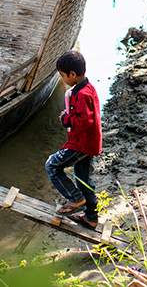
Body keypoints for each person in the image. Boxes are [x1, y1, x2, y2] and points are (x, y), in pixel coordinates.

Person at [44, 51, 102, 230]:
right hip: (89, 142)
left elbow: (85, 122)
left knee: (52, 165)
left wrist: (66, 119)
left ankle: (76, 199)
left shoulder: (83, 94)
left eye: (62, 75)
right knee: (83, 178)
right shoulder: (87, 88)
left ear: (73, 75)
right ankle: (91, 218)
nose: (62, 79)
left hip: (82, 143)